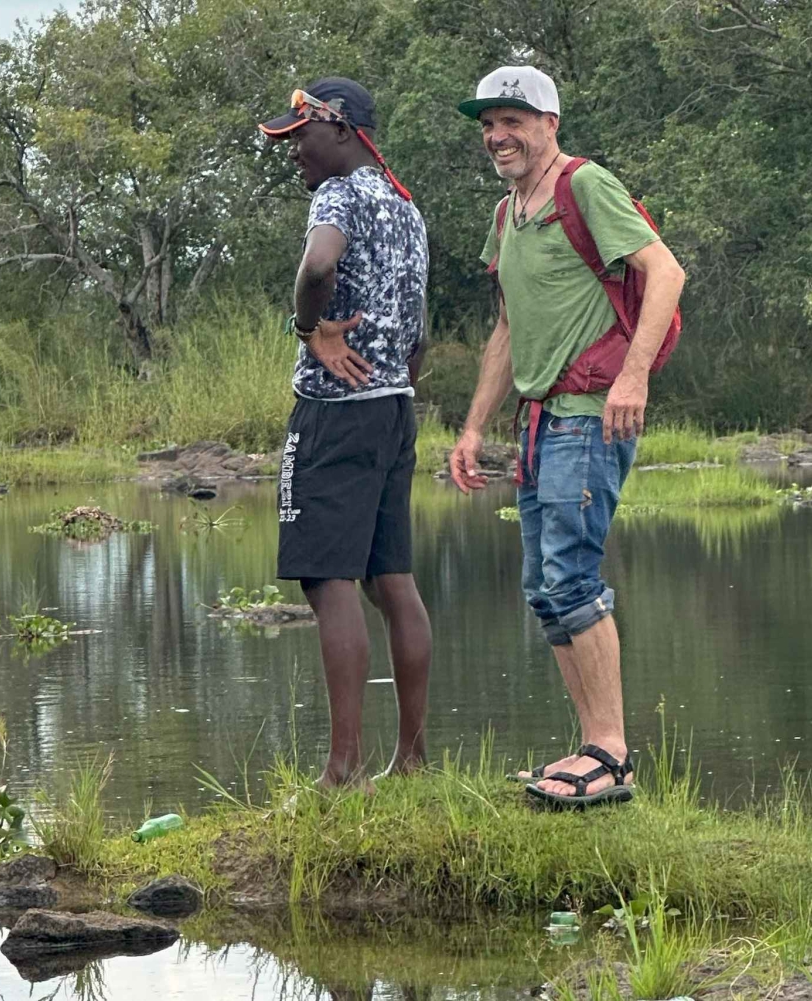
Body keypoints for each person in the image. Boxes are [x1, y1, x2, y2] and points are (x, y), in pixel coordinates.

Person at [449, 67, 686, 808]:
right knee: (544, 589)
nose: (498, 136)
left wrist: (633, 377)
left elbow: (666, 271)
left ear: (549, 123)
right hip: (538, 419)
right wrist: (474, 426)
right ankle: (593, 746)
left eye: (512, 120)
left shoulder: (586, 185)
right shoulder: (506, 213)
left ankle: (612, 754)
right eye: (489, 124)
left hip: (590, 412)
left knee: (572, 578)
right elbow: (507, 328)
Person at [258, 78, 433, 791]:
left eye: (299, 135)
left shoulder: (337, 196)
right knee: (392, 580)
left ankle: (342, 772)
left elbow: (319, 265)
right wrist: (397, 378)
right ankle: (412, 761)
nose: (293, 149)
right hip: (394, 411)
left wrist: (310, 329)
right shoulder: (404, 205)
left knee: (329, 581)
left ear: (340, 128)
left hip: (334, 412)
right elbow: (419, 326)